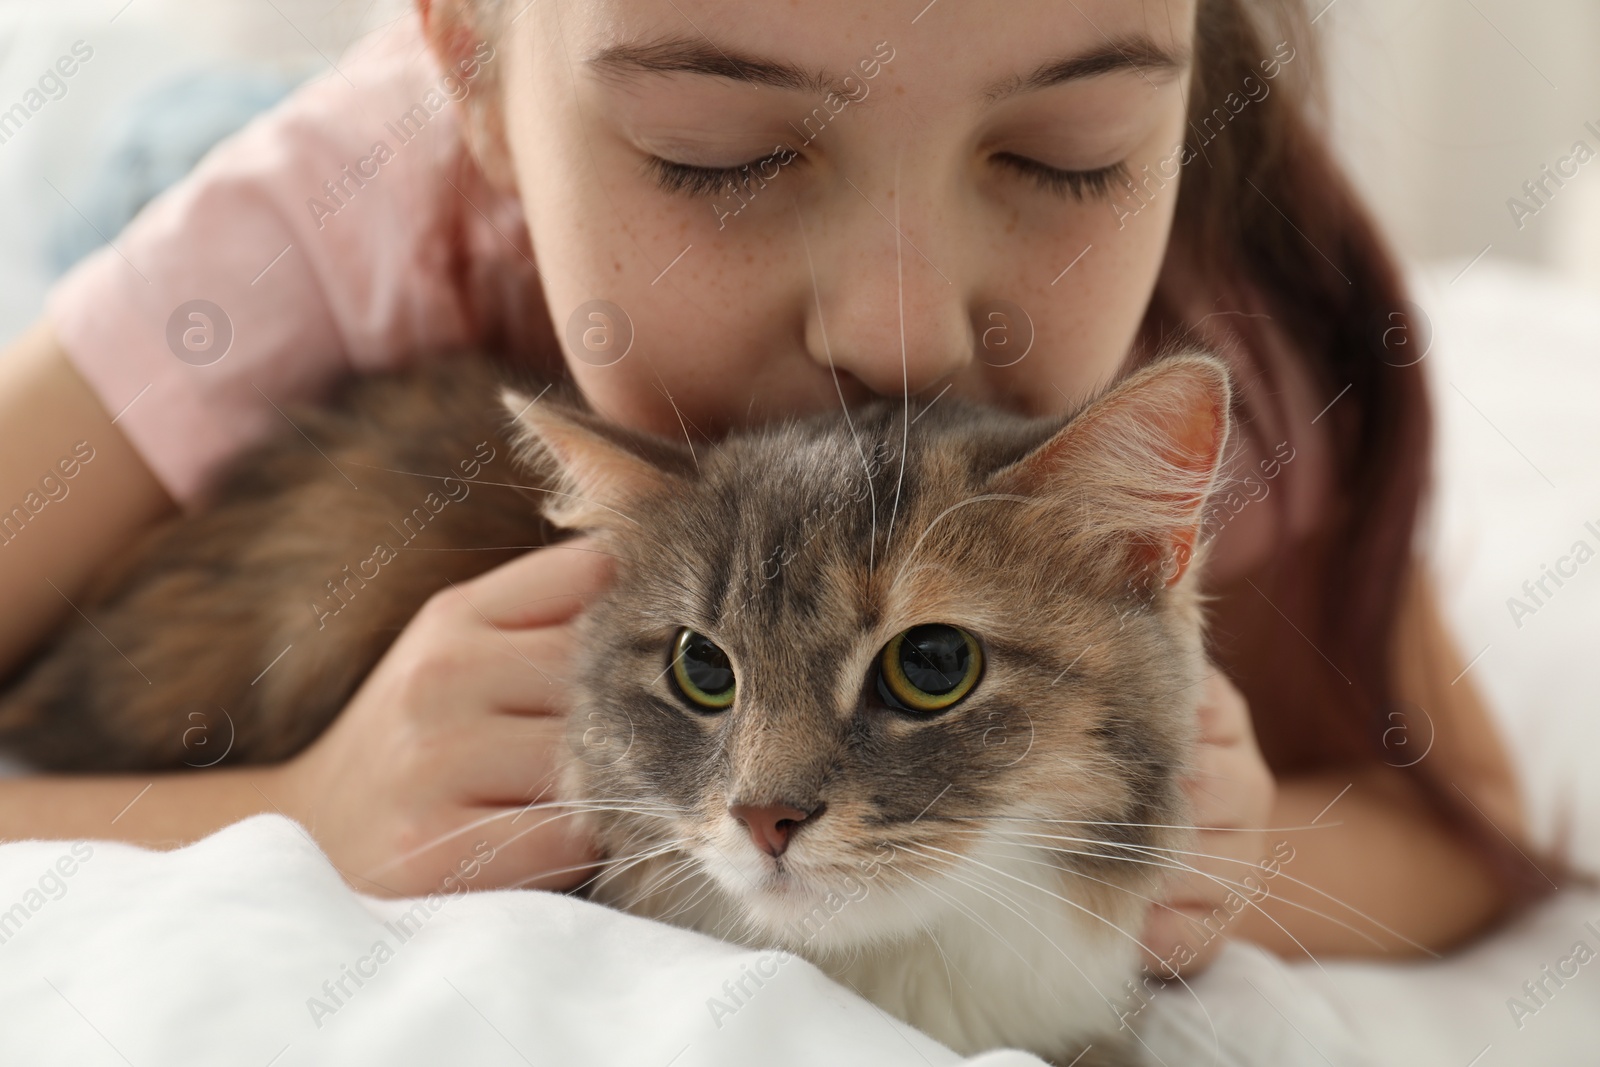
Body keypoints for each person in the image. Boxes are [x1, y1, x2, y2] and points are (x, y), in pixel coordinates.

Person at [0, 0, 1553, 981]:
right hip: (212, 189)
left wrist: (1210, 839)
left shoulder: (1230, 322)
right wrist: (289, 813)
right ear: (477, 66)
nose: (901, 327)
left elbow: (1459, 825)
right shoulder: (311, 227)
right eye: (719, 153)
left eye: (1066, 154)